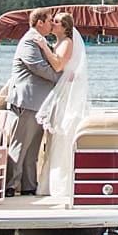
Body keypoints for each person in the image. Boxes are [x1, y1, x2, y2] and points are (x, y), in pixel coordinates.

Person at [32, 11, 91, 201]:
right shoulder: (59, 43)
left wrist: (43, 46)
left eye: (56, 22)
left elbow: (58, 65)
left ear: (65, 27)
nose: (53, 25)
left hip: (66, 96)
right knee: (54, 138)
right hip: (61, 93)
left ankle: (61, 184)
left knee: (62, 137)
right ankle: (48, 183)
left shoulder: (67, 43)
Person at [4, 7, 60, 194]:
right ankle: (10, 186)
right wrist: (62, 78)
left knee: (33, 149)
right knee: (19, 145)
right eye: (50, 20)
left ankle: (29, 187)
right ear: (40, 22)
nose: (52, 24)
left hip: (39, 104)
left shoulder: (41, 41)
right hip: (26, 101)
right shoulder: (29, 40)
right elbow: (38, 67)